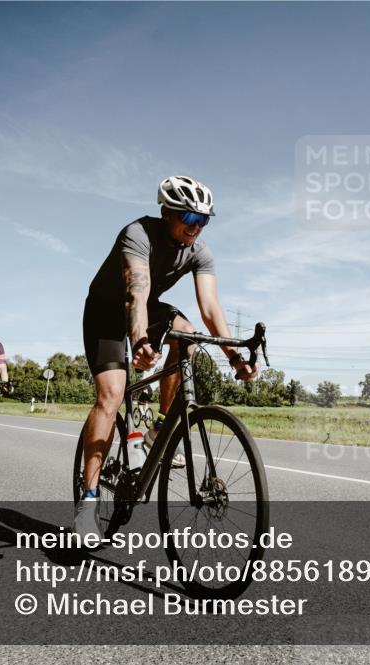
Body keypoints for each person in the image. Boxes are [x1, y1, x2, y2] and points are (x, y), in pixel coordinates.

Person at [76, 175, 258, 539]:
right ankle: (88, 500)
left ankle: (160, 426)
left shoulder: (200, 251)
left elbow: (210, 308)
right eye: (189, 219)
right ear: (166, 212)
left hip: (148, 308)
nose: (196, 228)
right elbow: (136, 294)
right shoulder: (138, 234)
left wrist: (235, 357)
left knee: (188, 333)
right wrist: (140, 341)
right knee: (111, 396)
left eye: (203, 221)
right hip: (107, 312)